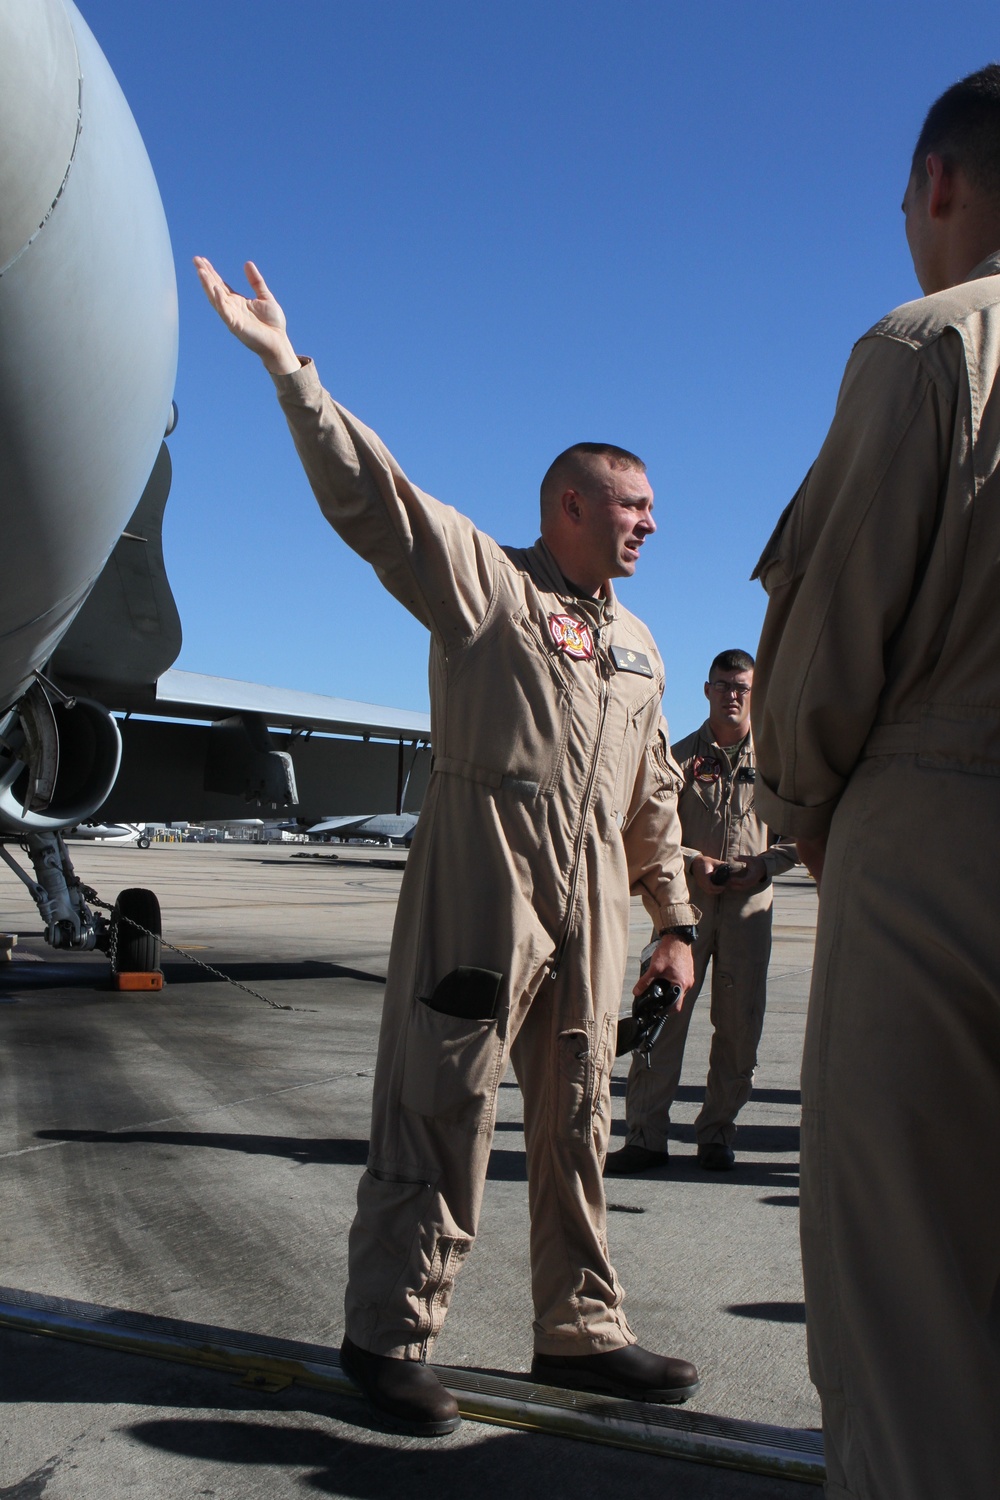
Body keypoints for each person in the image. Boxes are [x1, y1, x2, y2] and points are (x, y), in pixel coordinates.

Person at [194, 255, 702, 1435]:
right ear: (570, 507)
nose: (650, 525)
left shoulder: (640, 647)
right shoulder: (488, 591)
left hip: (593, 907)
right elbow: (378, 498)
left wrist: (672, 922)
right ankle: (389, 1339)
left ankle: (580, 1331)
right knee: (440, 1107)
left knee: (579, 1116)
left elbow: (654, 802)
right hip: (483, 883)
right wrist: (289, 371)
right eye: (633, 506)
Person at [751, 65, 1000, 1500]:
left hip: (941, 839)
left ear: (942, 186)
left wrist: (806, 800)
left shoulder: (931, 346)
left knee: (908, 1302)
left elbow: (828, 647)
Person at [605, 649, 796, 1177]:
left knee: (739, 1028)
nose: (732, 695)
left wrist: (766, 865)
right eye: (723, 686)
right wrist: (695, 862)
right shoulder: (680, 756)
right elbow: (652, 826)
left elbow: (801, 830)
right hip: (682, 911)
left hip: (749, 913)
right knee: (661, 1017)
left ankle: (717, 1134)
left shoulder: (778, 761)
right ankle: (646, 1136)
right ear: (707, 690)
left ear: (755, 694)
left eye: (742, 688)